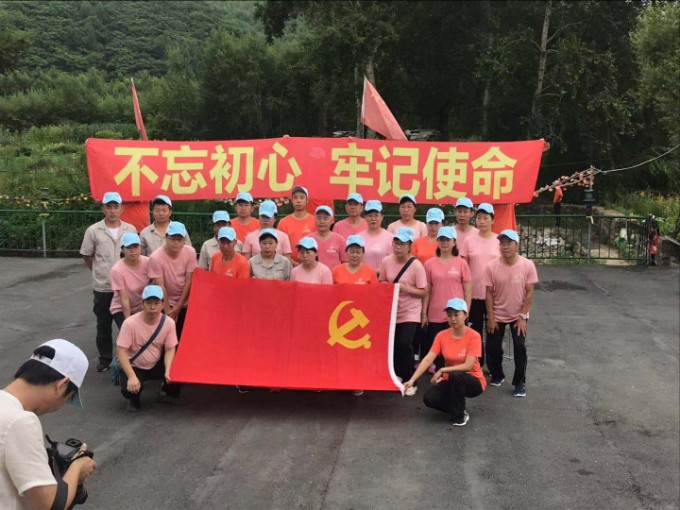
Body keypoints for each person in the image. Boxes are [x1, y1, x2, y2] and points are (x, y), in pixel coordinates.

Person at [1, 339, 97, 509]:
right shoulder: (20, 421)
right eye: (68, 398)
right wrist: (77, 466)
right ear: (62, 385)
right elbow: (49, 505)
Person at [404, 299, 486, 427]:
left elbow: (468, 366)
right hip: (451, 379)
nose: (453, 319)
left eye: (456, 314)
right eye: (449, 315)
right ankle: (458, 407)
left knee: (456, 375)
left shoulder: (474, 336)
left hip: (473, 380)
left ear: (465, 315)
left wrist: (442, 370)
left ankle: (459, 417)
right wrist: (412, 380)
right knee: (429, 398)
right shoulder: (442, 336)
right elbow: (428, 358)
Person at [79, 191, 137, 372]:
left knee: (128, 323)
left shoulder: (130, 230)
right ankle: (105, 359)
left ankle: (132, 357)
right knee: (103, 324)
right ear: (103, 209)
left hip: (126, 287)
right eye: (109, 207)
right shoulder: (93, 231)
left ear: (122, 208)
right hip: (103, 287)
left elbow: (135, 254)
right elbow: (87, 255)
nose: (112, 210)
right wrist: (100, 272)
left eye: (116, 206)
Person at [484, 229, 538, 398]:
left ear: (517, 245)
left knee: (520, 347)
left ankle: (519, 382)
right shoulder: (491, 266)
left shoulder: (527, 265)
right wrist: (490, 317)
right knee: (492, 346)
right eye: (502, 243)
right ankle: (497, 374)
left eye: (509, 243)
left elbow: (529, 292)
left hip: (518, 315)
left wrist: (522, 316)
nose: (505, 247)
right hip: (498, 313)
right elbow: (488, 293)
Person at [379, 228, 427, 395]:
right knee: (393, 345)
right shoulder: (386, 261)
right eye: (396, 243)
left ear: (409, 246)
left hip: (410, 310)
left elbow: (423, 291)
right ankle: (396, 374)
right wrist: (387, 287)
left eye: (402, 244)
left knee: (405, 343)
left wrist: (405, 289)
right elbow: (382, 281)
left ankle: (409, 379)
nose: (398, 247)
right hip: (392, 310)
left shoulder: (416, 265)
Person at [116, 285, 179, 411]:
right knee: (129, 388)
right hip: (135, 365)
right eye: (149, 303)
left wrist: (168, 370)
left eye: (156, 303)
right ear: (142, 304)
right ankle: (133, 399)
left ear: (163, 305)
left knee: (178, 369)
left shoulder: (169, 323)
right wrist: (132, 376)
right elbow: (121, 351)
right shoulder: (129, 323)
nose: (152, 307)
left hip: (156, 363)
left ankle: (167, 392)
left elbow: (170, 349)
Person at [422, 226, 472, 373]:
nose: (444, 243)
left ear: (454, 242)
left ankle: (455, 376)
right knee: (439, 347)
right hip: (436, 312)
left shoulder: (461, 263)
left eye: (448, 240)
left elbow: (468, 290)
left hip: (456, 313)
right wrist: (424, 313)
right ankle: (441, 375)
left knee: (456, 347)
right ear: (437, 242)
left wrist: (466, 312)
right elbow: (427, 290)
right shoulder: (429, 264)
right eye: (441, 240)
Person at [459, 203, 500, 367]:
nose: (481, 221)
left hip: (494, 295)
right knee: (475, 332)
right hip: (474, 294)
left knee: (493, 331)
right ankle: (476, 364)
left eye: (485, 218)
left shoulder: (499, 241)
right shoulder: (469, 241)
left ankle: (493, 365)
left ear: (493, 220)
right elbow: (463, 267)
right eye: (479, 218)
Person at [149, 221, 196, 340]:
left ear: (184, 240)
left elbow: (189, 280)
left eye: (179, 239)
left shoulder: (190, 252)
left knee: (183, 337)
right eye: (172, 239)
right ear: (166, 237)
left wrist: (179, 306)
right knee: (164, 337)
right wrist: (168, 310)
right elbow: (160, 285)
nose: (176, 243)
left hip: (185, 301)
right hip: (164, 301)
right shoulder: (155, 257)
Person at [110, 232, 159, 329]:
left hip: (142, 306)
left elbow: (156, 284)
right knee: (130, 333)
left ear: (140, 248)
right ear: (122, 250)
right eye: (128, 248)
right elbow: (124, 298)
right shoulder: (117, 270)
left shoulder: (148, 262)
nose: (133, 251)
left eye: (136, 247)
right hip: (121, 308)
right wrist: (129, 322)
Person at [277, 186, 317, 264]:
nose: (298, 201)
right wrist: (292, 262)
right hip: (288, 265)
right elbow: (279, 246)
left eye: (302, 198)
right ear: (292, 200)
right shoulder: (283, 222)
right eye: (295, 198)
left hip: (311, 265)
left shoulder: (315, 221)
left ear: (307, 200)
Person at [358, 200, 393, 275]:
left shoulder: (391, 238)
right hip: (363, 278)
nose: (373, 219)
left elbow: (394, 262)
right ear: (365, 217)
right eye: (370, 216)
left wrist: (375, 272)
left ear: (382, 217)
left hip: (384, 278)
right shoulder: (358, 238)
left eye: (376, 215)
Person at [310, 206, 347, 270]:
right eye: (319, 218)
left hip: (335, 276)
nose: (322, 222)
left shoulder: (339, 239)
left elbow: (346, 262)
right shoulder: (309, 239)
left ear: (332, 220)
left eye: (325, 218)